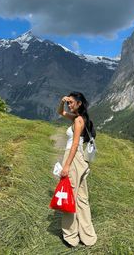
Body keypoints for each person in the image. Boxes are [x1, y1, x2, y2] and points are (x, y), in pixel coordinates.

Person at [57, 91, 97, 247]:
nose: (69, 105)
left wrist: (66, 165)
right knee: (81, 198)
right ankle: (88, 236)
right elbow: (60, 112)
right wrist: (62, 101)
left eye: (71, 102)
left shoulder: (78, 120)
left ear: (79, 104)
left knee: (68, 196)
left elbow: (74, 144)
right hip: (80, 159)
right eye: (68, 103)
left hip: (73, 159)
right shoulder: (78, 118)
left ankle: (71, 236)